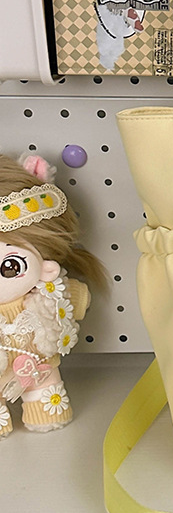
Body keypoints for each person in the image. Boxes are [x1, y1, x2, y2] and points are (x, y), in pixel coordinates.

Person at [0, 155, 105, 436]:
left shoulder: (52, 295)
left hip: (41, 371)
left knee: (47, 396)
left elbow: (75, 300)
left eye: (10, 267)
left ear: (46, 266)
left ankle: (45, 411)